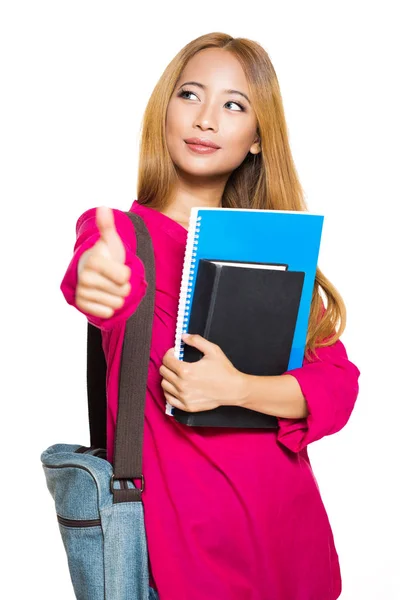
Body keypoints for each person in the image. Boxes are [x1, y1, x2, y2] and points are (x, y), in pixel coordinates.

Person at [60, 32, 360, 600]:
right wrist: (94, 280)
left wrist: (238, 387)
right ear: (164, 110)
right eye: (190, 95)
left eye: (233, 105)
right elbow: (94, 278)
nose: (205, 119)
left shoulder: (275, 248)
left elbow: (337, 387)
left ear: (256, 138)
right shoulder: (123, 237)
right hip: (183, 559)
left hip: (288, 545)